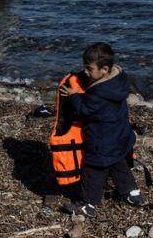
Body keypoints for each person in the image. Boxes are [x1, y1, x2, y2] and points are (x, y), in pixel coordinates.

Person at [58, 42, 145, 217]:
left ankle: (88, 204)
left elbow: (84, 110)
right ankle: (132, 194)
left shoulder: (98, 92)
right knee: (118, 163)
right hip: (121, 136)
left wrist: (75, 97)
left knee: (93, 170)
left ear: (104, 69)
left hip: (102, 141)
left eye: (90, 69)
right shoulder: (119, 78)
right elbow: (101, 105)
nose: (86, 72)